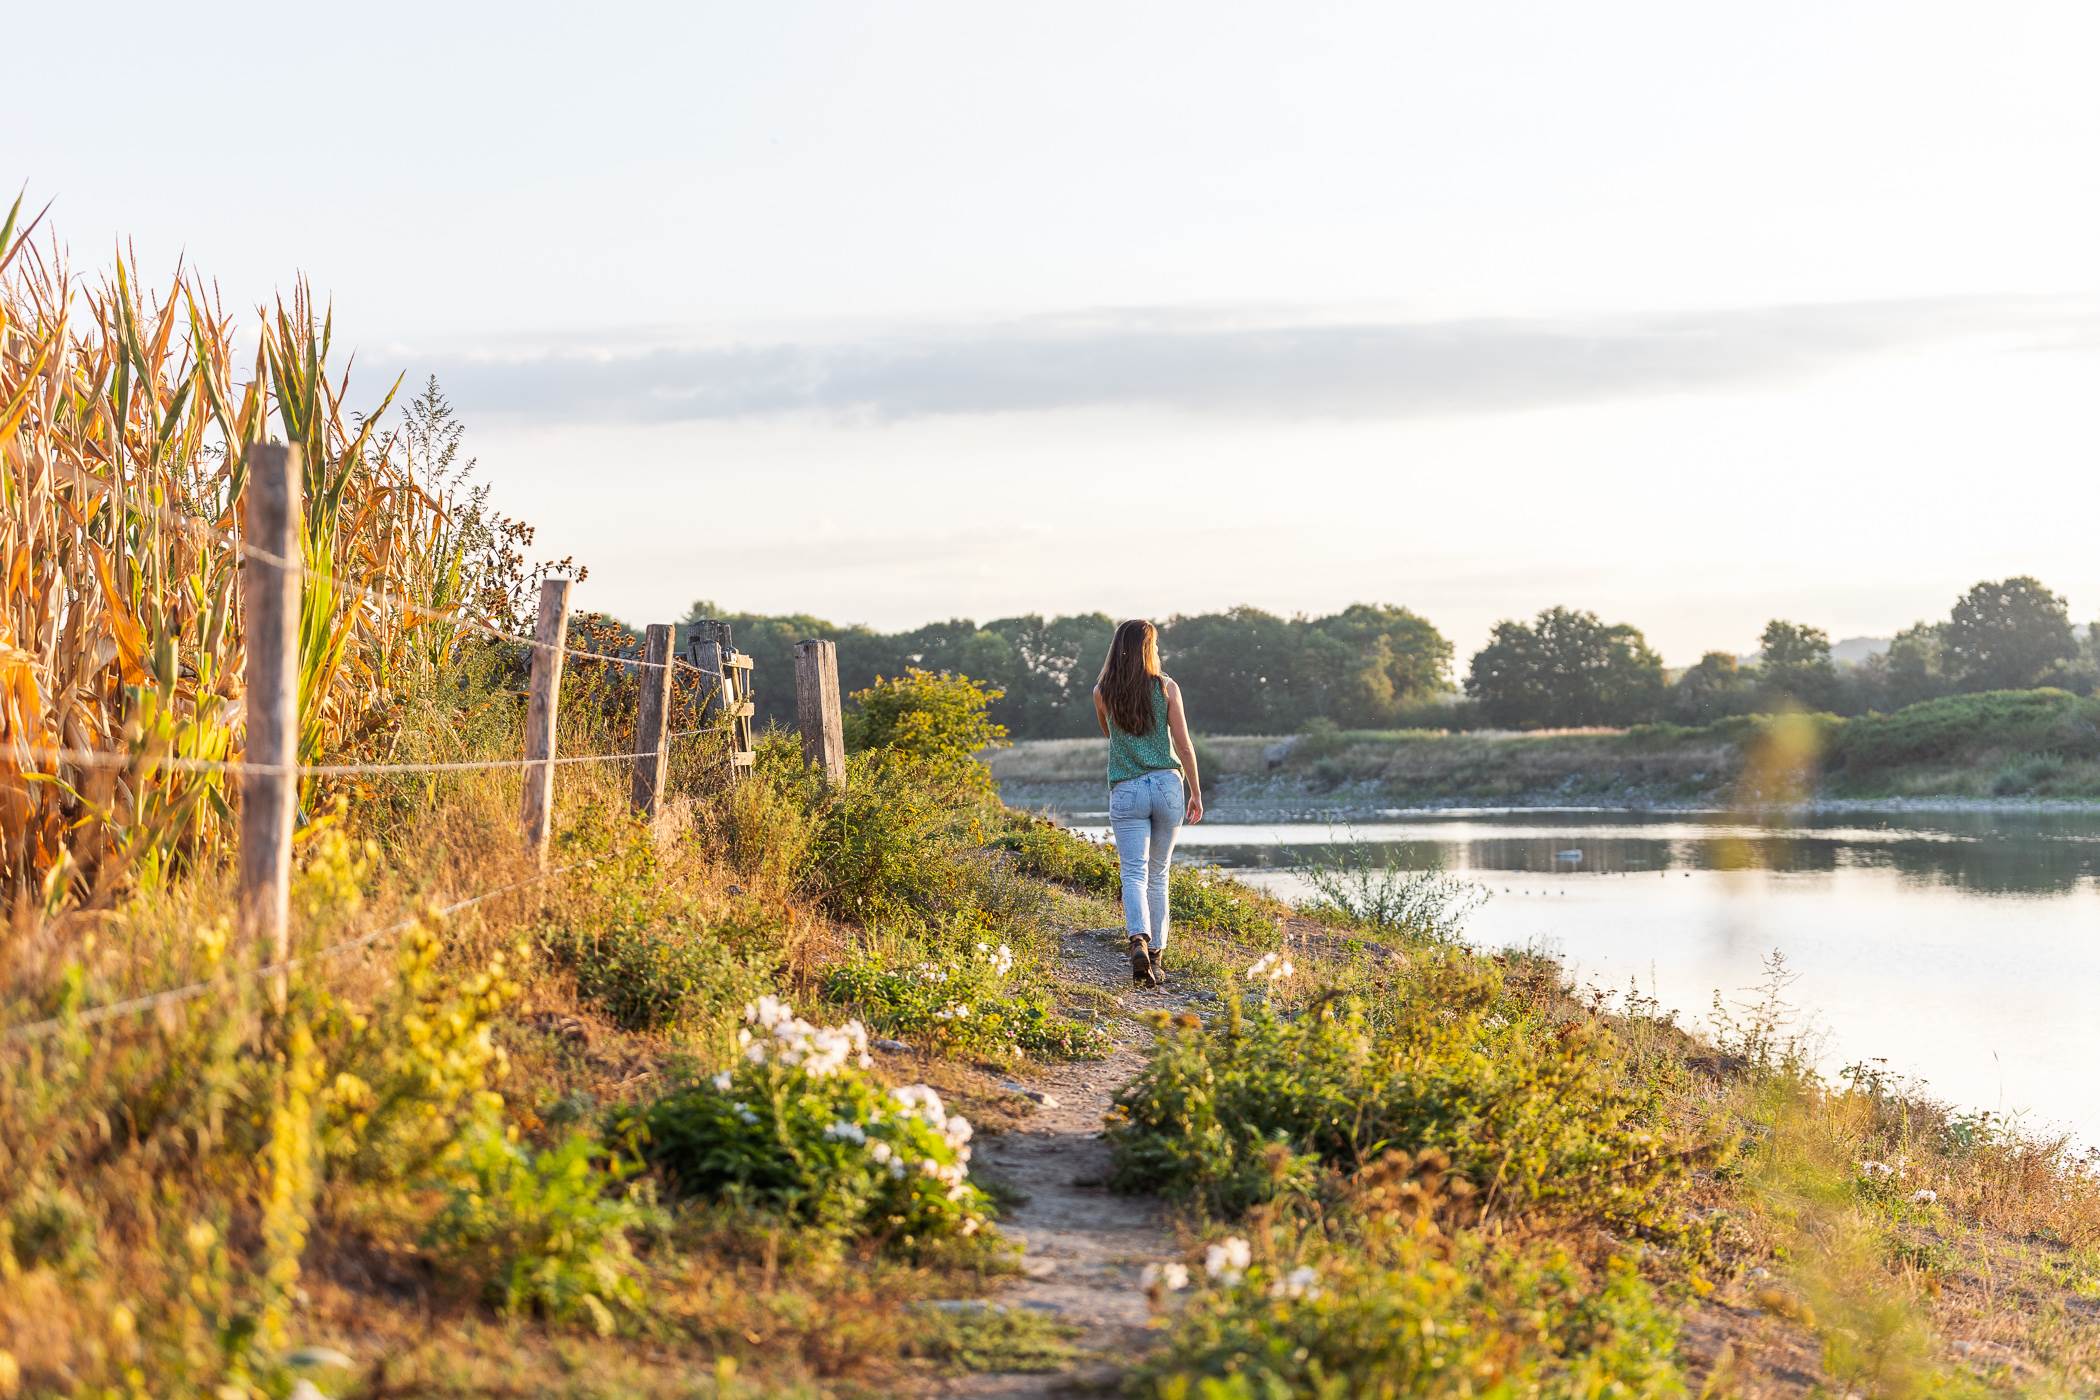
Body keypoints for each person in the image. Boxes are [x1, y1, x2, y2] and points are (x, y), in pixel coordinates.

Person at [1092, 618, 1203, 987]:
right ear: (1148, 648)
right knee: (1159, 874)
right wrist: (1196, 793)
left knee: (1134, 872)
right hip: (1168, 786)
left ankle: (1138, 939)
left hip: (1127, 789)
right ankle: (1156, 955)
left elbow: (1112, 737)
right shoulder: (1167, 687)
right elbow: (1184, 744)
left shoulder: (1102, 692)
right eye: (1155, 645)